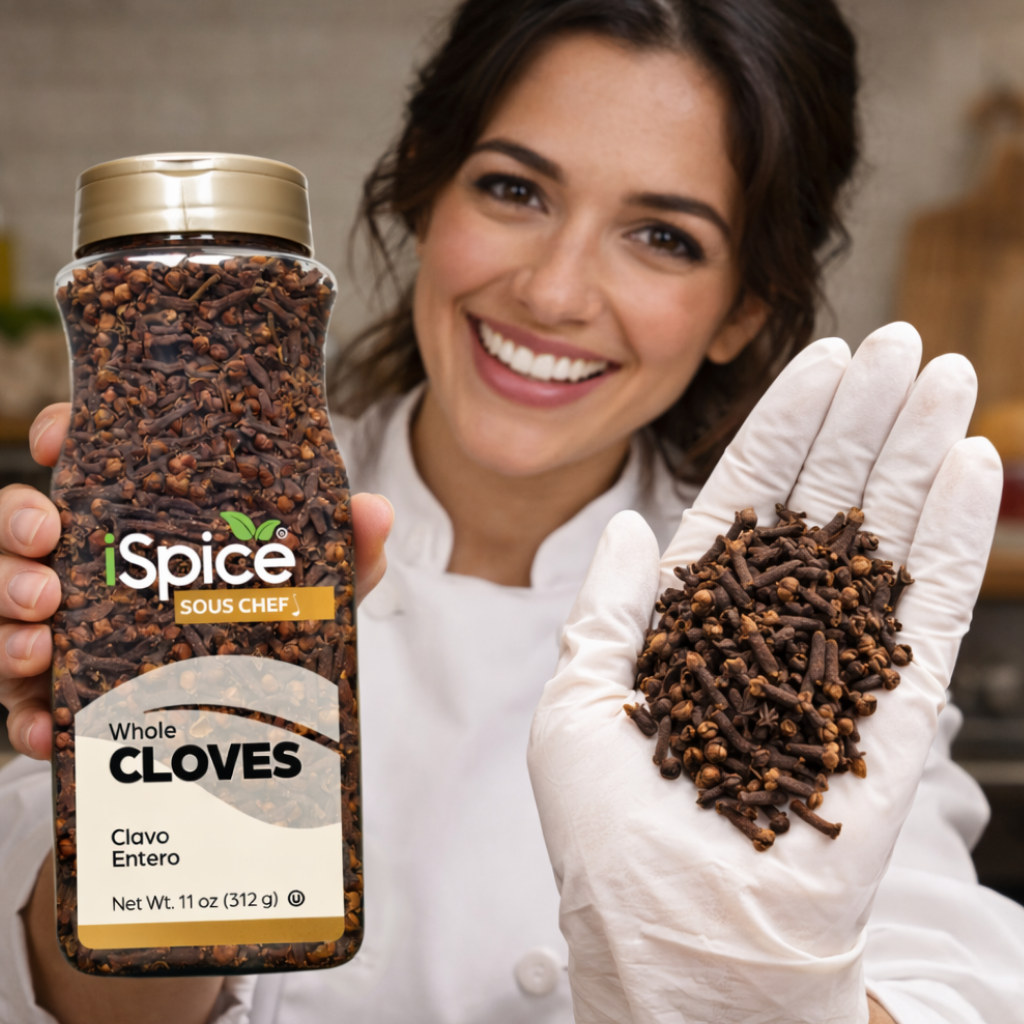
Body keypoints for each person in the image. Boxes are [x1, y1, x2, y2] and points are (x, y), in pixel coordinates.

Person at [2, 0, 1023, 1021]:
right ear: (423, 188)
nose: (554, 290)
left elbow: (952, 984)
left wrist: (754, 993)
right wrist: (151, 720)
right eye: (514, 189)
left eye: (663, 235)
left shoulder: (776, 640)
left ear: (743, 306)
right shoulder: (205, 541)